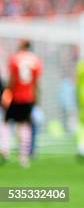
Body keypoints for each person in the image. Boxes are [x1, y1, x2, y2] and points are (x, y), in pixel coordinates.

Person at [3, 40, 42, 168]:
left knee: (6, 123)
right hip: (28, 97)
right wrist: (36, 97)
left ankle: (5, 150)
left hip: (15, 96)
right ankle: (24, 156)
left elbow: (12, 79)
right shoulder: (36, 61)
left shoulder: (15, 59)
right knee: (24, 125)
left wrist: (7, 92)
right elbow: (36, 82)